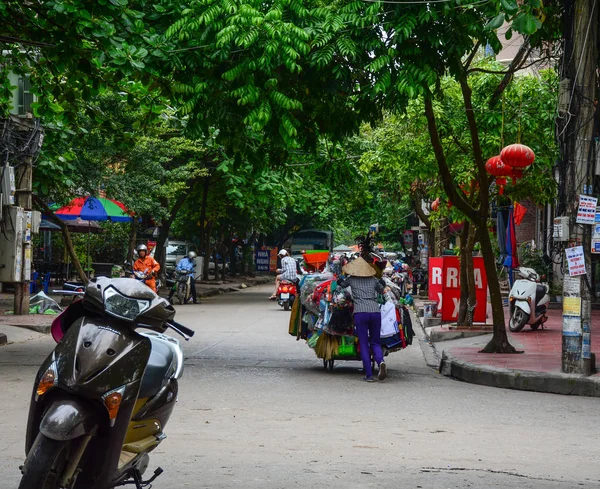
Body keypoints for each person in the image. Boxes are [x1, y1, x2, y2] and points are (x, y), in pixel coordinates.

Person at [338, 256, 389, 382]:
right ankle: (380, 361)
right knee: (375, 342)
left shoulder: (352, 279)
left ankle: (369, 375)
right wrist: (381, 284)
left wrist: (340, 281)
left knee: (364, 344)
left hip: (360, 313)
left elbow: (342, 285)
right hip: (375, 312)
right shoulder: (373, 280)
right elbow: (382, 290)